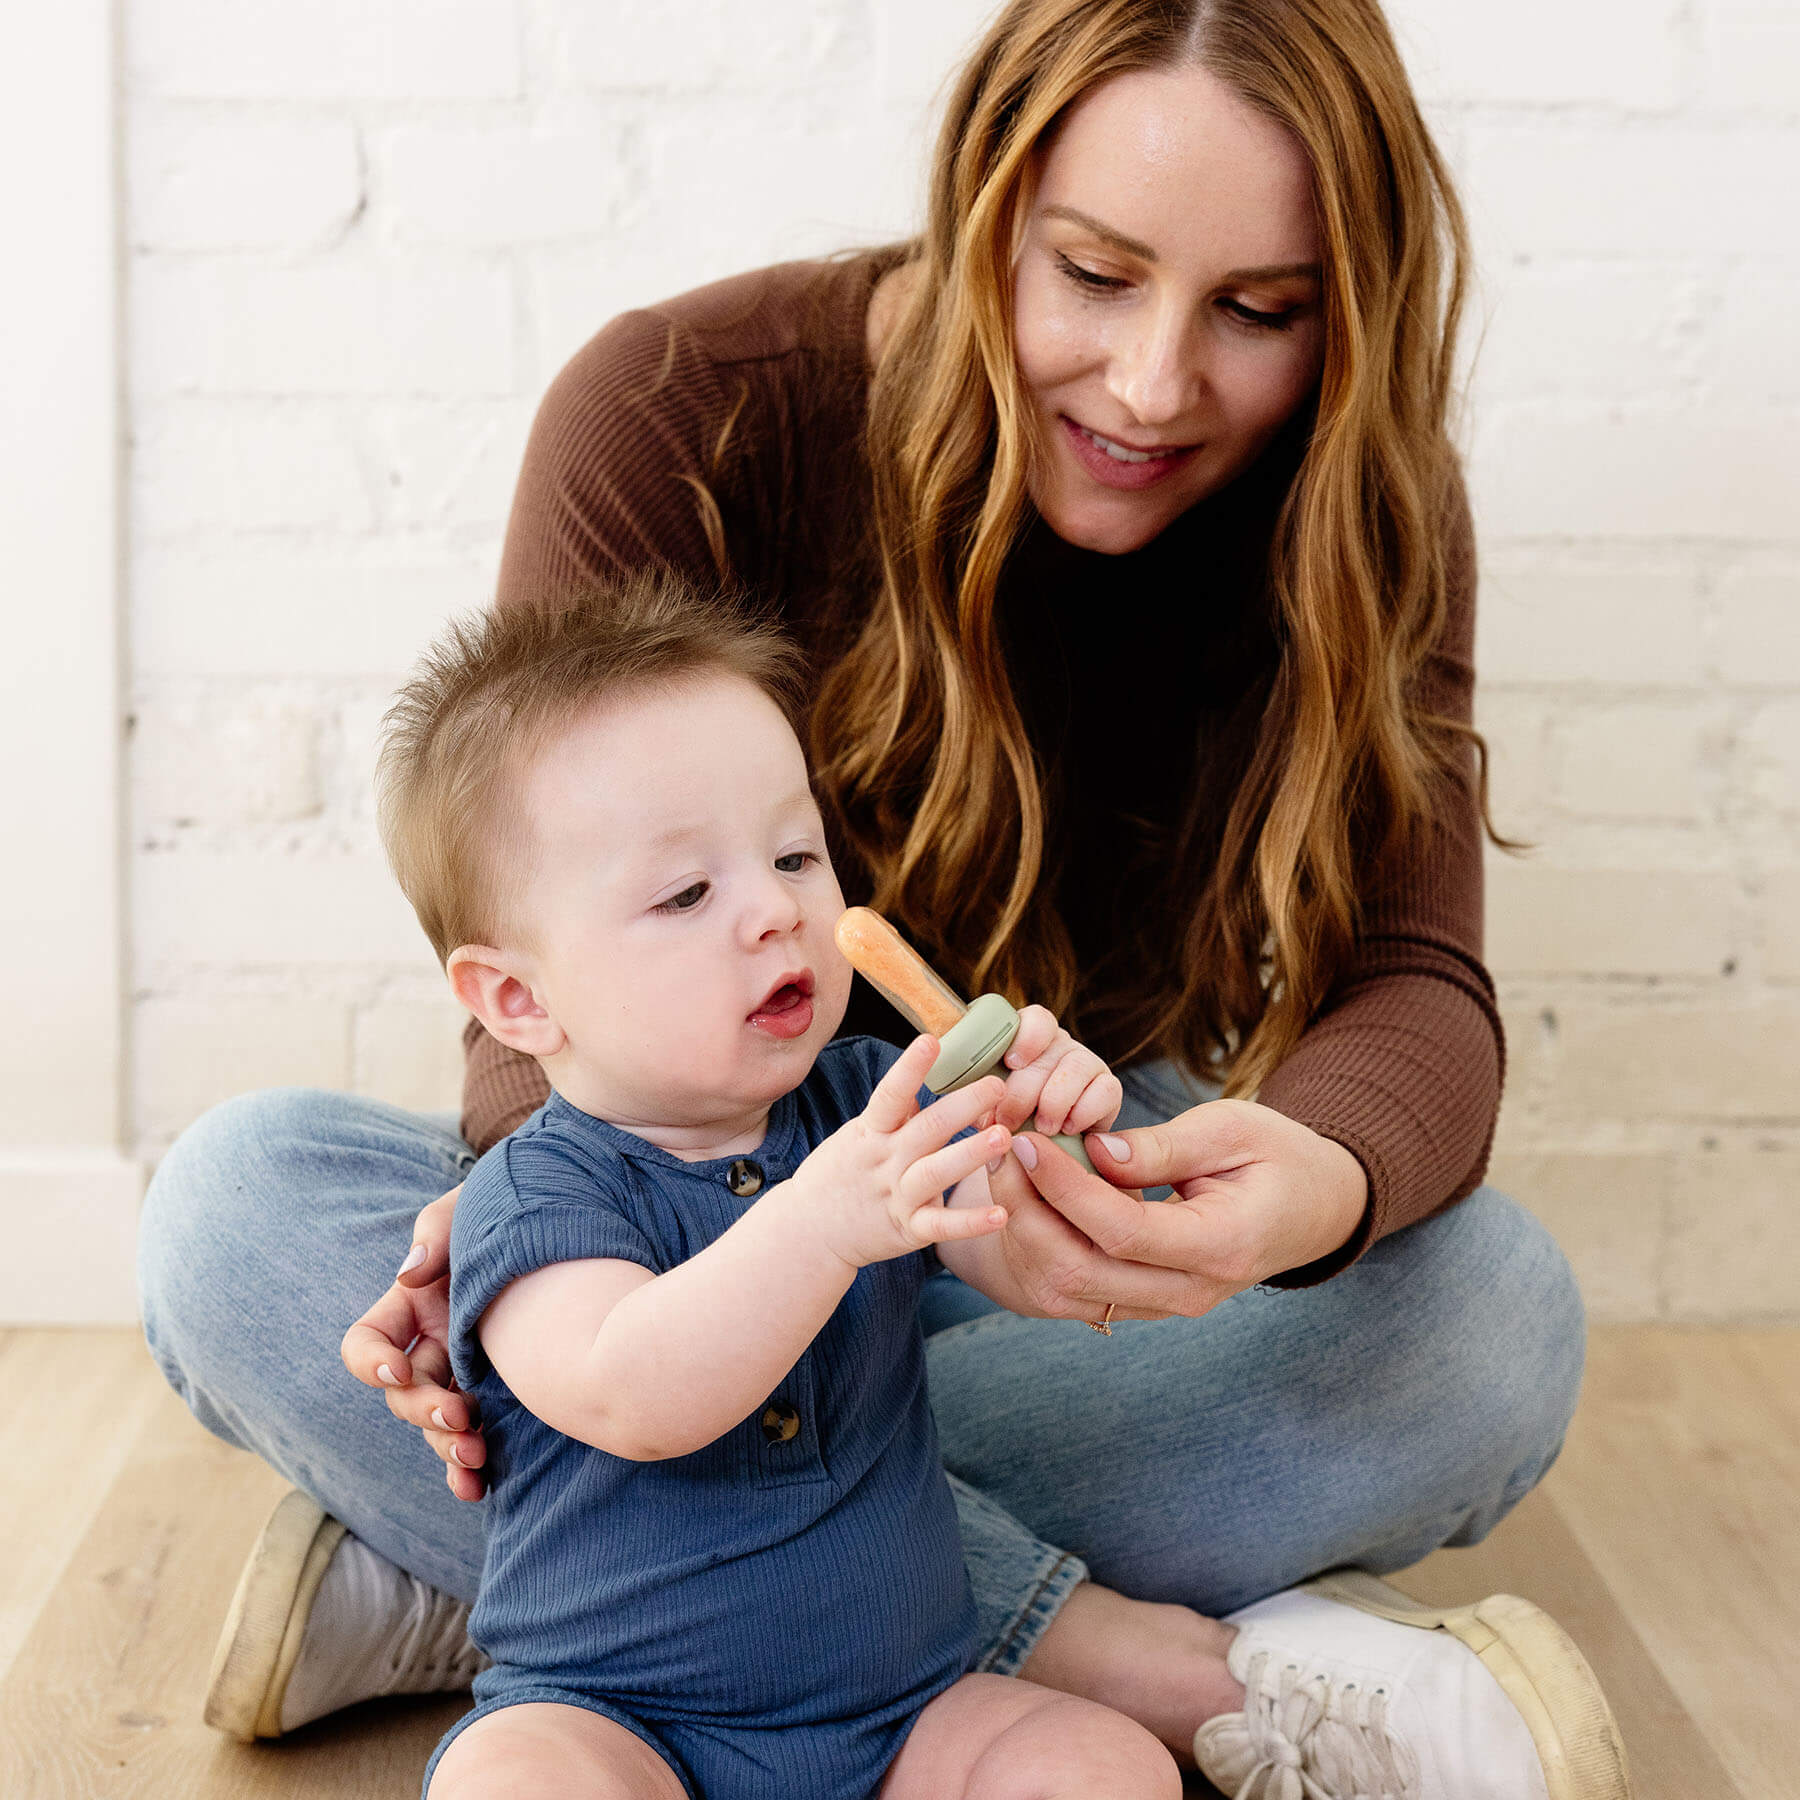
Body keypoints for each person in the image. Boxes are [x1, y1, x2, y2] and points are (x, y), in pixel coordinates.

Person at [138, 0, 1628, 1793]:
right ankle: (1147, 1660)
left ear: (1351, 307)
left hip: (1015, 1199)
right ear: (980, 201)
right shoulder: (678, 415)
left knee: (1490, 1319)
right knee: (233, 1210)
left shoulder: (1368, 504)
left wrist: (1296, 1186)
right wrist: (525, 1211)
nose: (1157, 385)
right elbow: (540, 964)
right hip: (667, 1209)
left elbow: (1411, 982)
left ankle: (509, 1587)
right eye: (1092, 274)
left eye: (1260, 311)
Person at [385, 581, 1182, 1798]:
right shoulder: (528, 1200)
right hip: (618, 1719)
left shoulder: (872, 1099)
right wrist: (821, 1222)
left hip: (905, 1710)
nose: (777, 912)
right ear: (520, 1001)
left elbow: (1038, 1268)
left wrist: (1045, 1134)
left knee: (1100, 1763)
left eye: (794, 854)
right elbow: (635, 1390)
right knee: (516, 1784)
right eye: (688, 894)